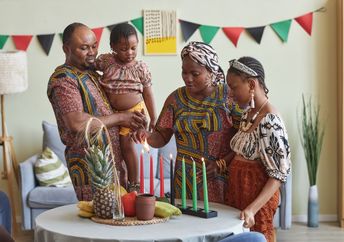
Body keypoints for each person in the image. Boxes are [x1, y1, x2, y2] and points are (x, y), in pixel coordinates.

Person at [47, 22, 147, 201]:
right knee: (99, 226)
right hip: (91, 171)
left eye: (94, 46)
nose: (92, 52)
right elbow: (76, 123)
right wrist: (122, 117)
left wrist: (136, 118)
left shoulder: (93, 74)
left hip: (113, 166)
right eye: (84, 48)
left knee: (121, 224)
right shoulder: (63, 80)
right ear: (66, 48)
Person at [133, 41, 241, 203]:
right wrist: (145, 136)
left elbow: (245, 139)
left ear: (211, 71)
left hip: (221, 180)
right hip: (184, 182)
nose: (188, 79)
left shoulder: (229, 96)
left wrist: (221, 164)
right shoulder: (176, 99)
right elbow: (161, 137)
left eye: (195, 74)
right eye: (184, 72)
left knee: (221, 225)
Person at [225, 57, 291, 242]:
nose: (230, 94)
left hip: (255, 202)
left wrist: (252, 208)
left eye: (234, 87)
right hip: (238, 195)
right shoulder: (248, 113)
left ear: (252, 84)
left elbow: (278, 175)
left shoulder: (270, 120)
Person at [96, 23, 157, 192]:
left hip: (133, 112)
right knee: (112, 149)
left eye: (133, 48)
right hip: (110, 113)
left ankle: (134, 182)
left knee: (126, 146)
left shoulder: (140, 68)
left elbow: (148, 93)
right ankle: (113, 183)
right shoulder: (107, 61)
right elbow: (89, 67)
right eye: (123, 49)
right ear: (113, 47)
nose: (129, 53)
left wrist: (154, 117)